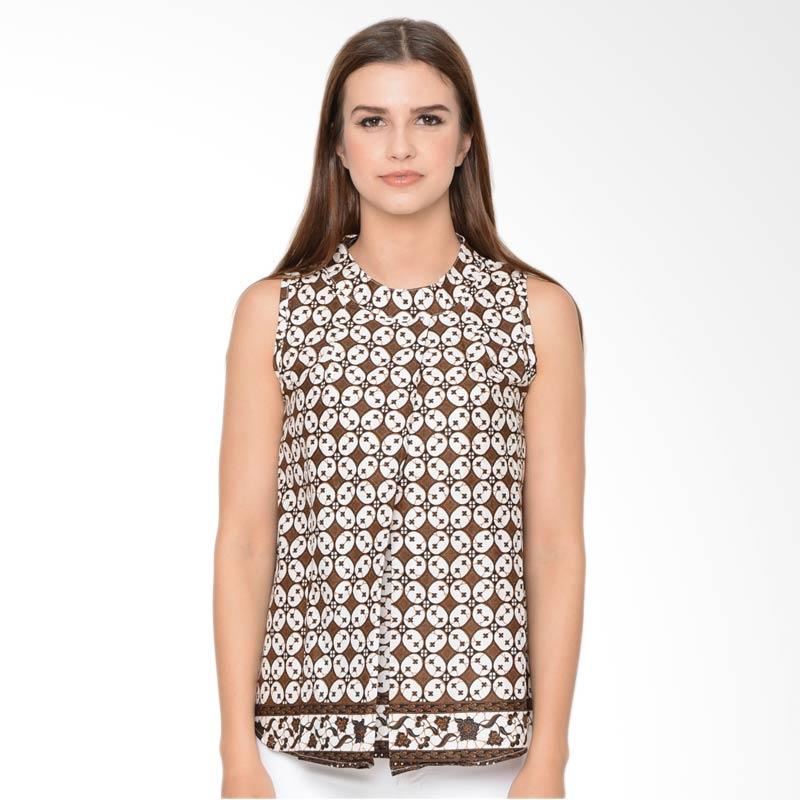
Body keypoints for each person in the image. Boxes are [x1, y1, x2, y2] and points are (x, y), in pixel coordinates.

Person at [214, 17, 585, 800]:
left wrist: (549, 759)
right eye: (372, 121)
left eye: (429, 118)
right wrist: (238, 760)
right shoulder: (275, 313)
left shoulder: (536, 313)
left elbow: (554, 544)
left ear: (466, 140)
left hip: (492, 755)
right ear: (338, 144)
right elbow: (244, 541)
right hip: (299, 750)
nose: (402, 147)